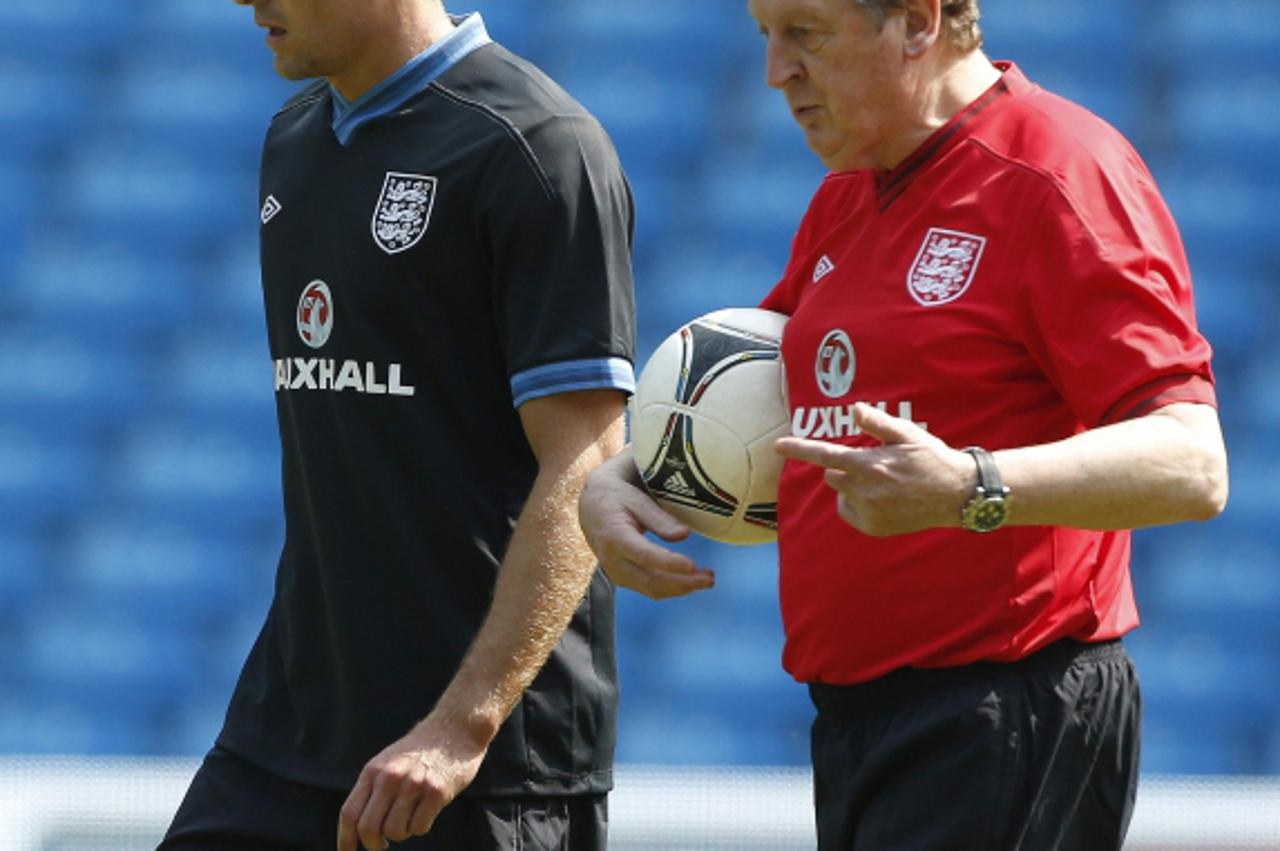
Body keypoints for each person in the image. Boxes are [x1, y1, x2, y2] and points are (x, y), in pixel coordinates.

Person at [579, 0, 1229, 848]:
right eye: (764, 36)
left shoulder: (1059, 172)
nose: (776, 72)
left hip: (1005, 711)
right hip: (858, 722)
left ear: (919, 22)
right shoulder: (849, 193)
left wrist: (972, 486)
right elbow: (748, 396)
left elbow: (1192, 460)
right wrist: (619, 477)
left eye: (805, 33)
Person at [160, 2, 636, 850]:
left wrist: (462, 727)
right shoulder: (293, 140)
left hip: (481, 765)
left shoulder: (536, 146)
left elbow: (587, 463)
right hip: (293, 731)